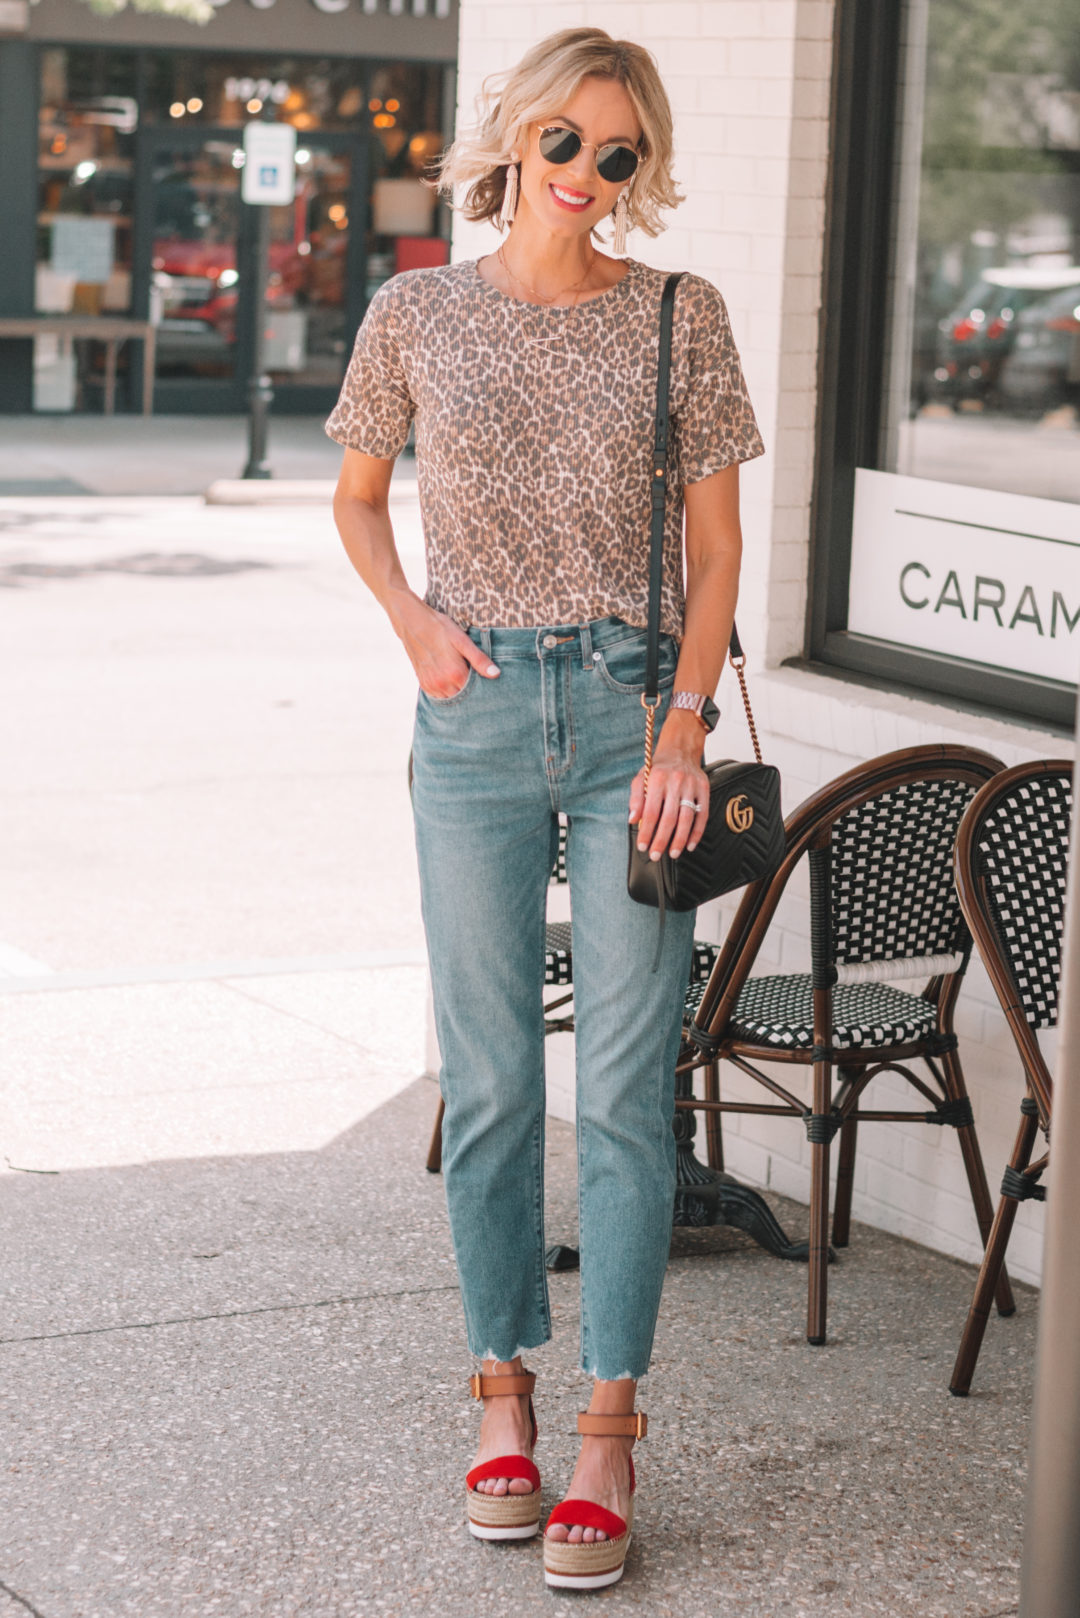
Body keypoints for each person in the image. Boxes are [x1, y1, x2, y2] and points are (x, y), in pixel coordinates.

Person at [327, 26, 764, 1591]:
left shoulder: (677, 319)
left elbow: (715, 558)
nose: (585, 176)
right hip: (475, 715)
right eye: (564, 143)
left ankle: (608, 1425)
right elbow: (359, 495)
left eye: (618, 155)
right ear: (513, 139)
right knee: (497, 1078)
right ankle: (501, 1393)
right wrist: (413, 624)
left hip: (637, 719)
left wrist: (683, 723)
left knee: (631, 1093)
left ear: (643, 172)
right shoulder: (415, 310)